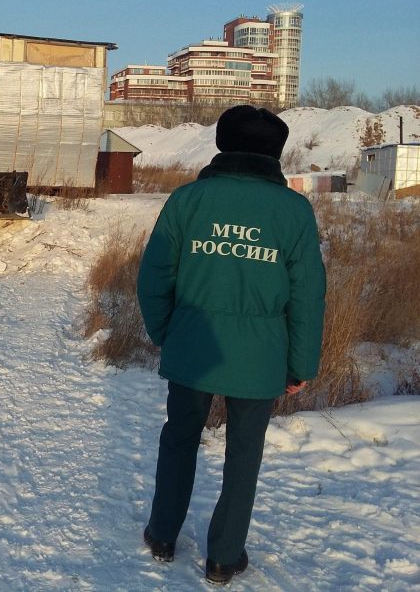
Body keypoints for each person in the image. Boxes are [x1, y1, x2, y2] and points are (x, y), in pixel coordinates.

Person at [137, 105, 326, 585]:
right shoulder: (294, 211)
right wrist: (301, 363)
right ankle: (223, 557)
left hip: (192, 348)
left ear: (223, 144)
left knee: (179, 439)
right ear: (275, 154)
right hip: (260, 357)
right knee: (245, 455)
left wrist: (166, 334)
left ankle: (162, 535)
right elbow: (307, 294)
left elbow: (154, 276)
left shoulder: (188, 200)